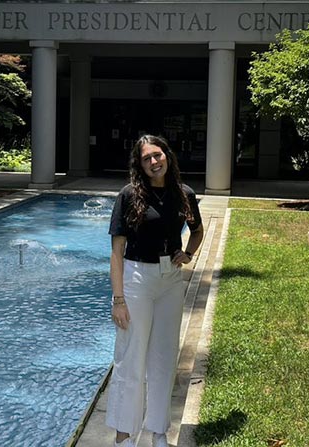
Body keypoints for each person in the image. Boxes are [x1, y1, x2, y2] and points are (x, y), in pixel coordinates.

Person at [105, 134, 204, 447]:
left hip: (170, 280)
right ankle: (124, 435)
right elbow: (116, 251)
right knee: (131, 356)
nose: (153, 162)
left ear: (167, 156)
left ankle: (158, 431)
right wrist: (118, 299)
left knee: (164, 357)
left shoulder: (183, 194)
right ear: (140, 164)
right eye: (146, 158)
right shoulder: (129, 195)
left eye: (157, 155)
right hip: (136, 279)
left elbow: (197, 230)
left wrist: (188, 253)